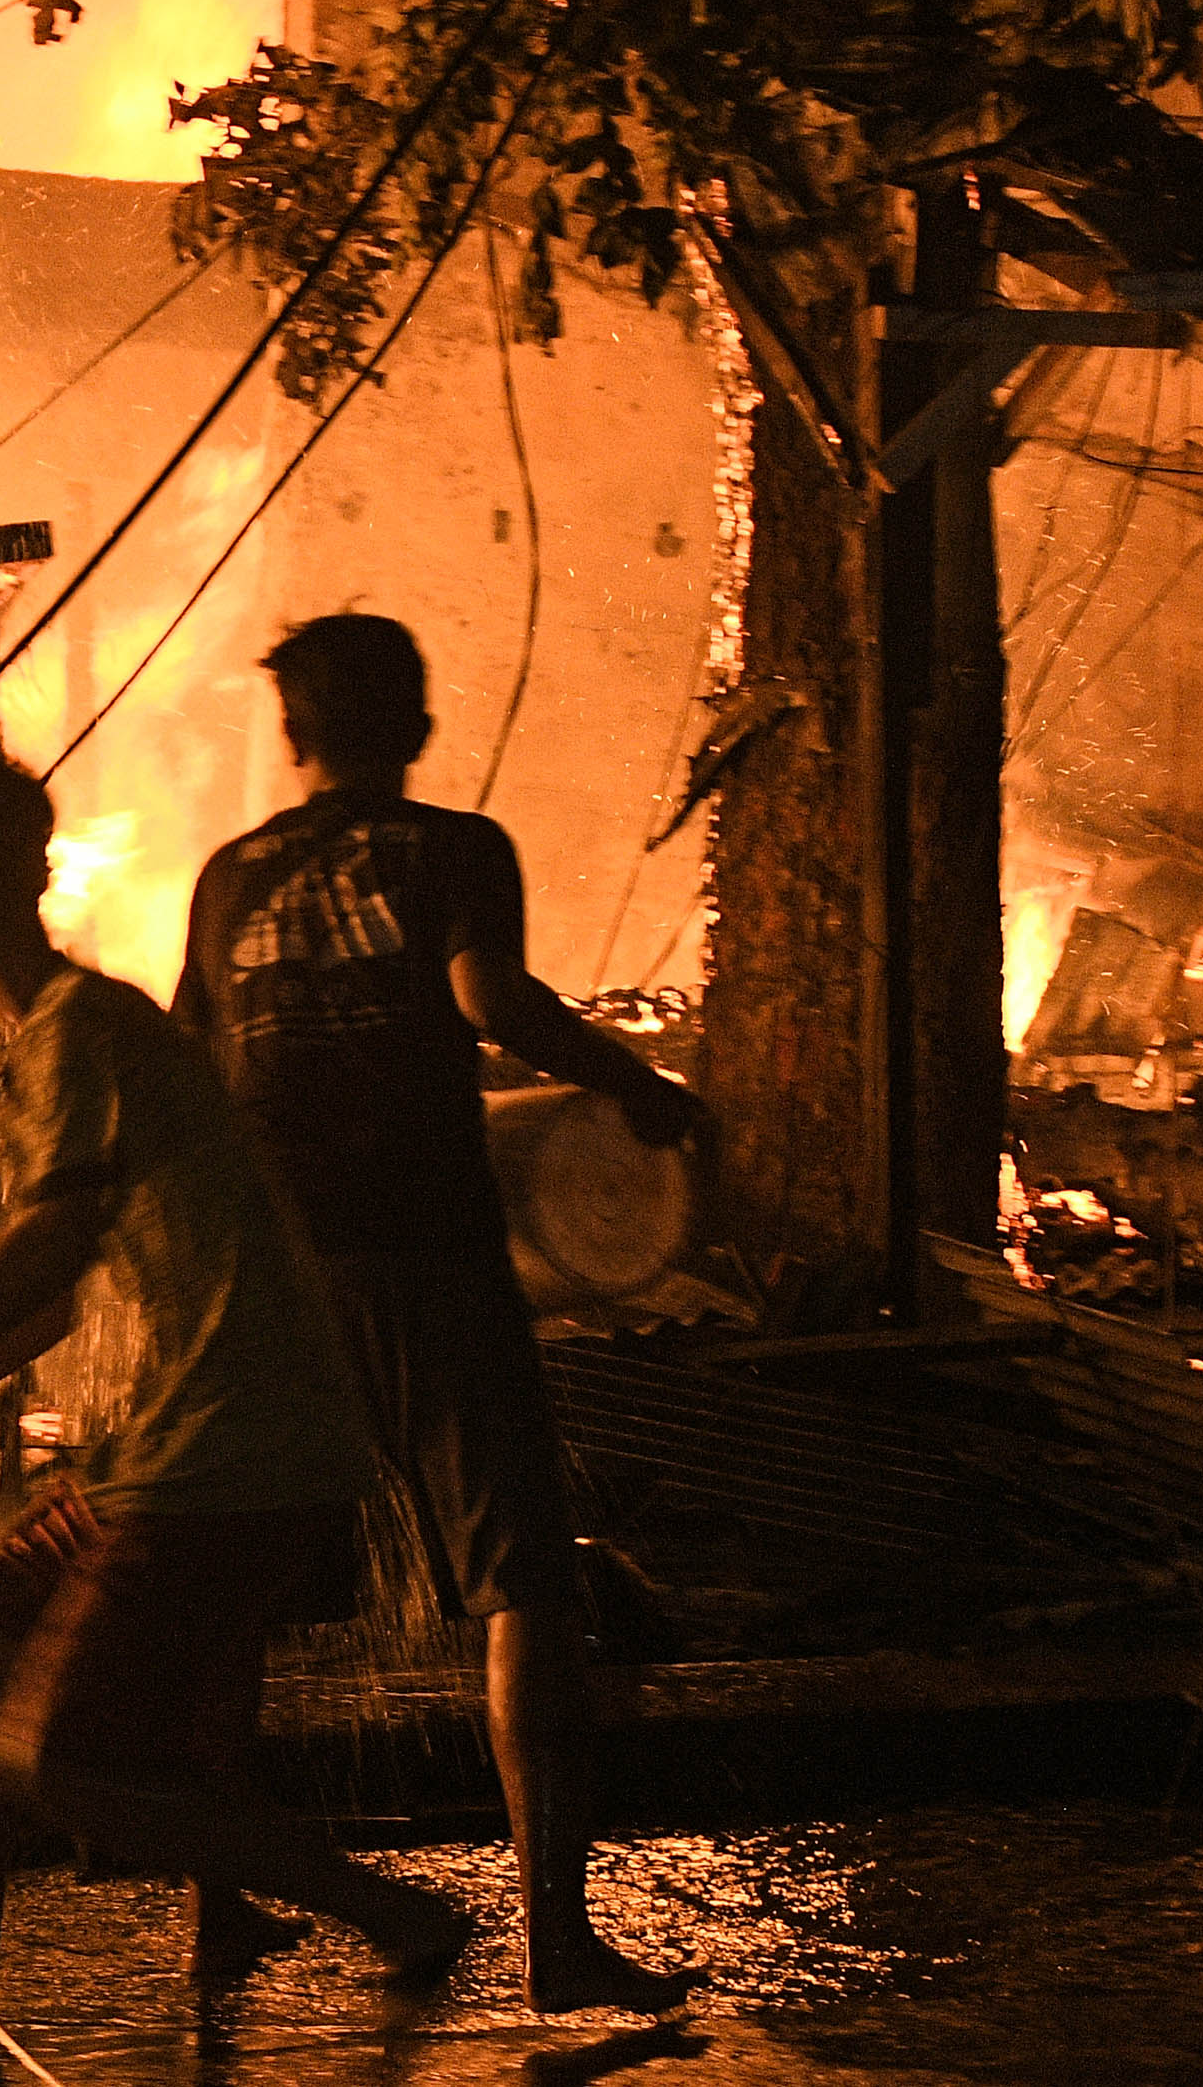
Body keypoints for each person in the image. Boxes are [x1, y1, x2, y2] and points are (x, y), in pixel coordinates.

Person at [0, 743, 468, 2087]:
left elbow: (43, 1262)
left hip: (234, 1450)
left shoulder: (83, 1030)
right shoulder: (67, 1035)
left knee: (55, 1768)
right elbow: (50, 1315)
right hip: (170, 1445)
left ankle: (395, 1912)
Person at [170, 614, 705, 2017]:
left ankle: (219, 1907)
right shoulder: (457, 849)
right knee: (524, 1582)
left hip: (277, 1276)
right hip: (428, 1257)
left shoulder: (232, 876)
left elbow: (193, 1059)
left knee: (240, 1594)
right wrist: (643, 1089)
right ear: (413, 726)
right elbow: (488, 996)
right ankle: (556, 1939)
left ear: (295, 737)